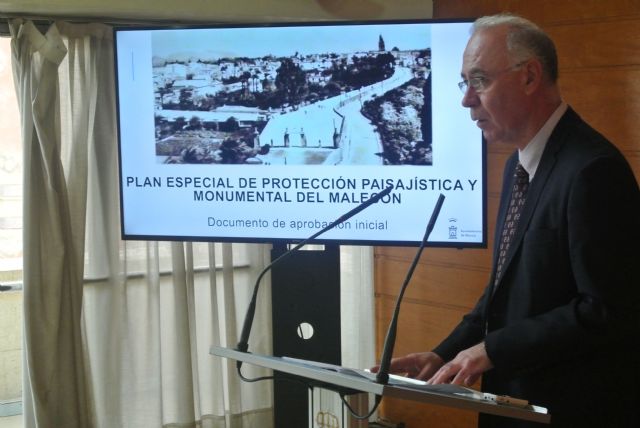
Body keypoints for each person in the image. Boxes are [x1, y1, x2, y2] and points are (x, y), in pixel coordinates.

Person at [373, 13, 640, 427]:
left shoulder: (591, 170)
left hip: (569, 409)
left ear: (530, 76)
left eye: (479, 80)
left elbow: (605, 311)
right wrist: (443, 353)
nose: (466, 99)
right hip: (512, 405)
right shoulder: (518, 164)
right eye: (465, 82)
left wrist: (493, 350)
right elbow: (505, 293)